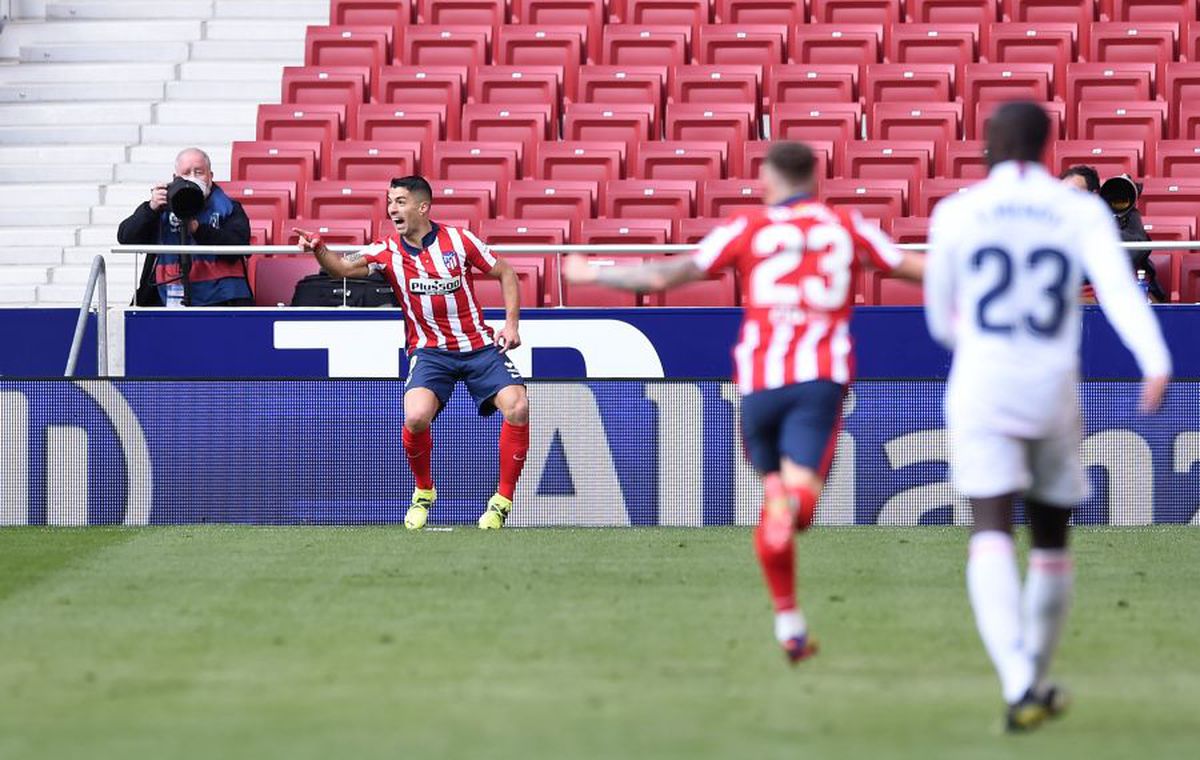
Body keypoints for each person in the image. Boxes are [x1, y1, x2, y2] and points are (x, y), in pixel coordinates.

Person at [563, 141, 925, 663]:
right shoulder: (847, 225)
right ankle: (789, 542)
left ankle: (790, 624)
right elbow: (913, 268)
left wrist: (593, 273)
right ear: (815, 179)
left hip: (758, 383)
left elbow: (664, 275)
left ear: (768, 180)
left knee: (776, 500)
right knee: (795, 511)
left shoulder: (746, 227)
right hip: (819, 379)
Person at [924, 102, 1172, 732]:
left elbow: (937, 318)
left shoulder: (957, 211)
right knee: (1052, 541)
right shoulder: (1078, 210)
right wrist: (1154, 357)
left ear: (987, 146)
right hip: (1051, 384)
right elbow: (1119, 288)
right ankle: (1032, 672)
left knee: (989, 529)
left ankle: (1017, 681)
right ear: (1045, 146)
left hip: (981, 383)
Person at [295, 176, 529, 530]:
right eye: (390, 201)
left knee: (518, 406)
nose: (392, 208)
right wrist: (319, 250)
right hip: (430, 351)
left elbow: (506, 272)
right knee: (416, 417)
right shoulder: (385, 250)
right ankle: (424, 491)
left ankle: (502, 500)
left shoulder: (459, 240)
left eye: (400, 201)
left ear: (422, 207)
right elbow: (341, 268)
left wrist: (511, 325)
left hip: (478, 346)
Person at [117, 148, 253, 307]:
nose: (193, 178)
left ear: (210, 176)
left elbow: (240, 246)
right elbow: (126, 237)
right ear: (175, 178)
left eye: (199, 172)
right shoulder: (161, 208)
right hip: (167, 295)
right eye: (186, 173)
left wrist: (198, 230)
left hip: (222, 298)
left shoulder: (229, 207)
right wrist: (151, 208)